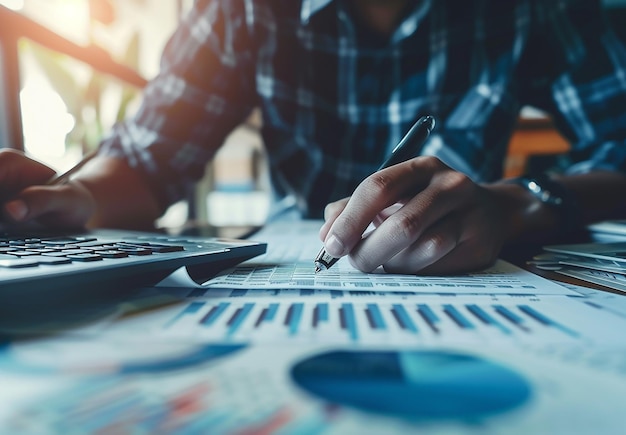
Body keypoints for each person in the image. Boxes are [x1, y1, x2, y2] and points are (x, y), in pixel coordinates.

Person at [1, 0, 626, 275]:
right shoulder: (241, 7)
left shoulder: (537, 7)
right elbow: (147, 159)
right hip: (291, 261)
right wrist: (77, 197)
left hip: (477, 271)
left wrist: (515, 204)